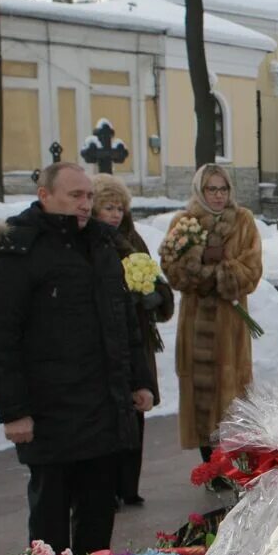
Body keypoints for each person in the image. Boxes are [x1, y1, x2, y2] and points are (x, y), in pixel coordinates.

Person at [0, 162, 154, 555]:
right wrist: (13, 411)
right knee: (50, 528)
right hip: (50, 412)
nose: (85, 204)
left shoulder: (101, 245)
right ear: (45, 196)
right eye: (75, 195)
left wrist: (140, 381)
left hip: (103, 407)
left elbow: (123, 321)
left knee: (97, 518)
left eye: (89, 196)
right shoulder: (15, 251)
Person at [160, 165, 262, 461]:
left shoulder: (244, 221)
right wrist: (201, 262)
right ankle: (211, 465)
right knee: (201, 396)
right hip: (195, 326)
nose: (218, 196)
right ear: (199, 191)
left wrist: (217, 273)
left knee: (234, 396)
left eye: (223, 189)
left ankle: (238, 464)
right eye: (211, 189)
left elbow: (252, 270)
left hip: (231, 327)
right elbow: (174, 272)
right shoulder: (184, 222)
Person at [92, 174, 175, 506]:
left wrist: (155, 295)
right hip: (107, 338)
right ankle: (107, 486)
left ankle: (129, 484)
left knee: (137, 408)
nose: (114, 214)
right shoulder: (95, 243)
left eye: (119, 208)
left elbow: (156, 279)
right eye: (107, 207)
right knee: (112, 411)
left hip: (138, 335)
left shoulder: (133, 239)